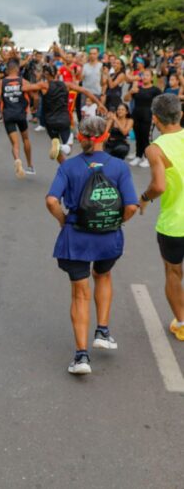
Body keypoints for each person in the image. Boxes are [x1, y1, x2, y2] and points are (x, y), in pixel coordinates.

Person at [45, 116, 138, 374]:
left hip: (76, 237)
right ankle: (103, 331)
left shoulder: (69, 167)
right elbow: (131, 206)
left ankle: (81, 357)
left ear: (80, 136)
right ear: (105, 136)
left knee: (80, 293)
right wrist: (116, 222)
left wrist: (63, 221)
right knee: (103, 275)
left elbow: (51, 200)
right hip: (108, 238)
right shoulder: (119, 167)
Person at [139, 94, 184, 342]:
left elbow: (158, 186)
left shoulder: (155, 149)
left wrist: (144, 198)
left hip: (175, 224)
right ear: (180, 114)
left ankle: (182, 323)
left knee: (173, 271)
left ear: (155, 119)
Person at [37, 64, 105, 164]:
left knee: (56, 147)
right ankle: (62, 147)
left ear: (45, 74)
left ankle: (63, 165)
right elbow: (85, 91)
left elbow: (27, 88)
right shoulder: (66, 85)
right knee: (67, 149)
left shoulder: (43, 86)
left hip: (49, 121)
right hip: (63, 119)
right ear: (57, 73)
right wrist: (99, 103)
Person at [125, 70, 162, 168]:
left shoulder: (155, 90)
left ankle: (147, 158)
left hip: (148, 116)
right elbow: (126, 99)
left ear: (151, 77)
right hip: (136, 115)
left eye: (147, 75)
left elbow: (161, 103)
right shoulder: (137, 89)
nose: (145, 77)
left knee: (146, 138)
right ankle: (138, 155)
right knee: (138, 137)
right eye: (143, 75)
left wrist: (157, 116)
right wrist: (130, 92)